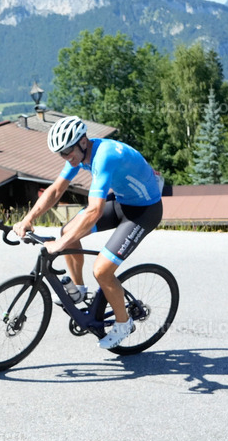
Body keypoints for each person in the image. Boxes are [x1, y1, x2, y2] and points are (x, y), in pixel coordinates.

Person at [12, 115, 163, 349]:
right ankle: (79, 289)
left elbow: (94, 210)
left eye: (68, 152)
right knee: (67, 229)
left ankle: (123, 324)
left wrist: (61, 245)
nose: (66, 157)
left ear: (83, 141)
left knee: (102, 270)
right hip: (124, 202)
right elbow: (55, 190)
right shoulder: (77, 154)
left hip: (145, 211)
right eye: (61, 154)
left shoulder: (105, 156)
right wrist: (28, 219)